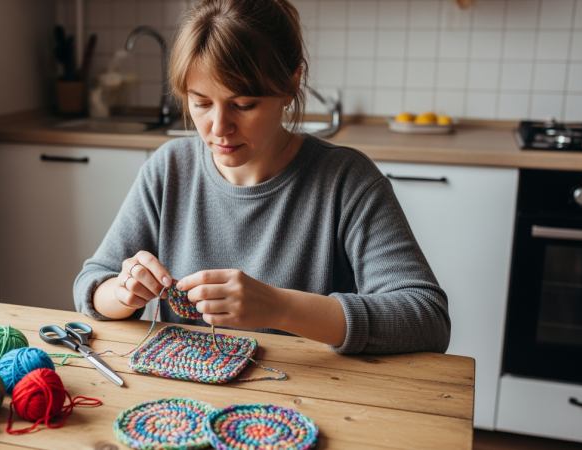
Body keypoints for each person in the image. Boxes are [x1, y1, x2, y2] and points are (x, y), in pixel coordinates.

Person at [73, 0, 450, 354]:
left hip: (312, 404)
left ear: (291, 84)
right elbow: (90, 288)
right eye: (201, 103)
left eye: (243, 104)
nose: (219, 128)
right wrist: (124, 291)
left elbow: (427, 318)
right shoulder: (168, 168)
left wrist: (279, 308)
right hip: (185, 400)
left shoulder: (346, 181)